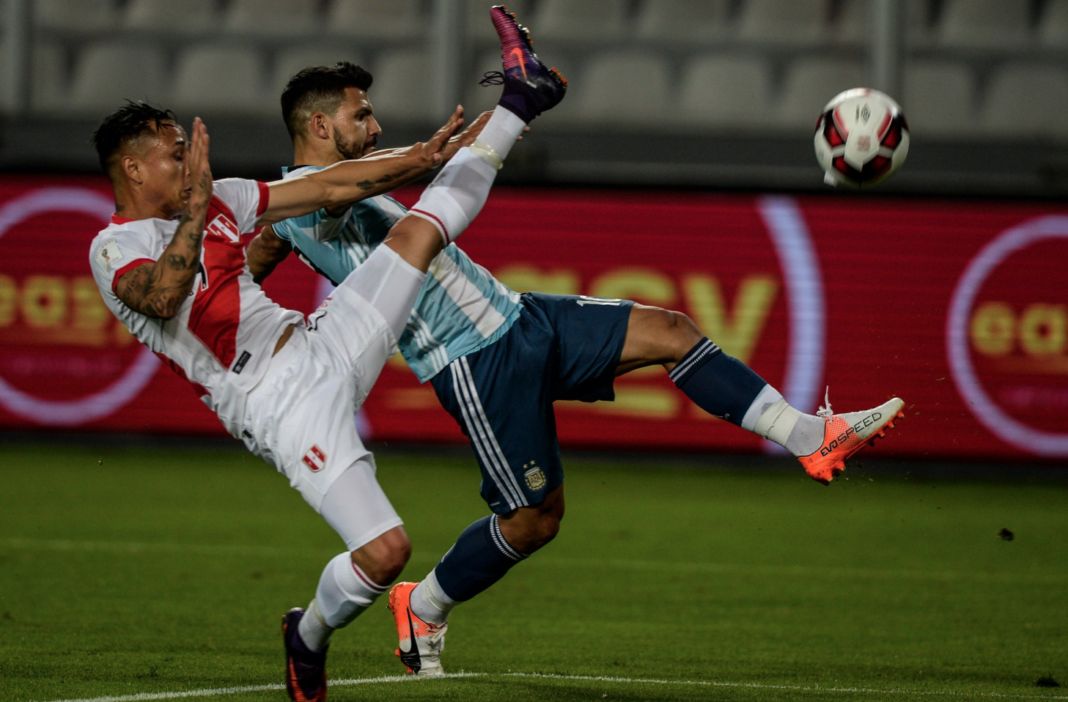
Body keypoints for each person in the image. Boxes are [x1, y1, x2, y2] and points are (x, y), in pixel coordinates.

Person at [248, 5, 904, 680]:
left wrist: (516, 106)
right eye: (362, 115)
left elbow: (261, 251)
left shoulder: (309, 197)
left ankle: (810, 438)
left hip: (520, 316)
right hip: (472, 363)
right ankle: (426, 605)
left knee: (672, 330)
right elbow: (325, 203)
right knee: (535, 520)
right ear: (319, 125)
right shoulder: (301, 196)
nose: (377, 125)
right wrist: (433, 152)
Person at [87, 18, 564, 699]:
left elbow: (328, 187)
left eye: (186, 153)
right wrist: (196, 208)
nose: (190, 165)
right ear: (133, 169)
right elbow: (164, 299)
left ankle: (518, 103)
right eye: (173, 155)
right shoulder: (112, 248)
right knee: (385, 553)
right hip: (275, 400)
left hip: (321, 338)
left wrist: (421, 158)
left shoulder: (220, 197)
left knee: (419, 230)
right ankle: (306, 637)